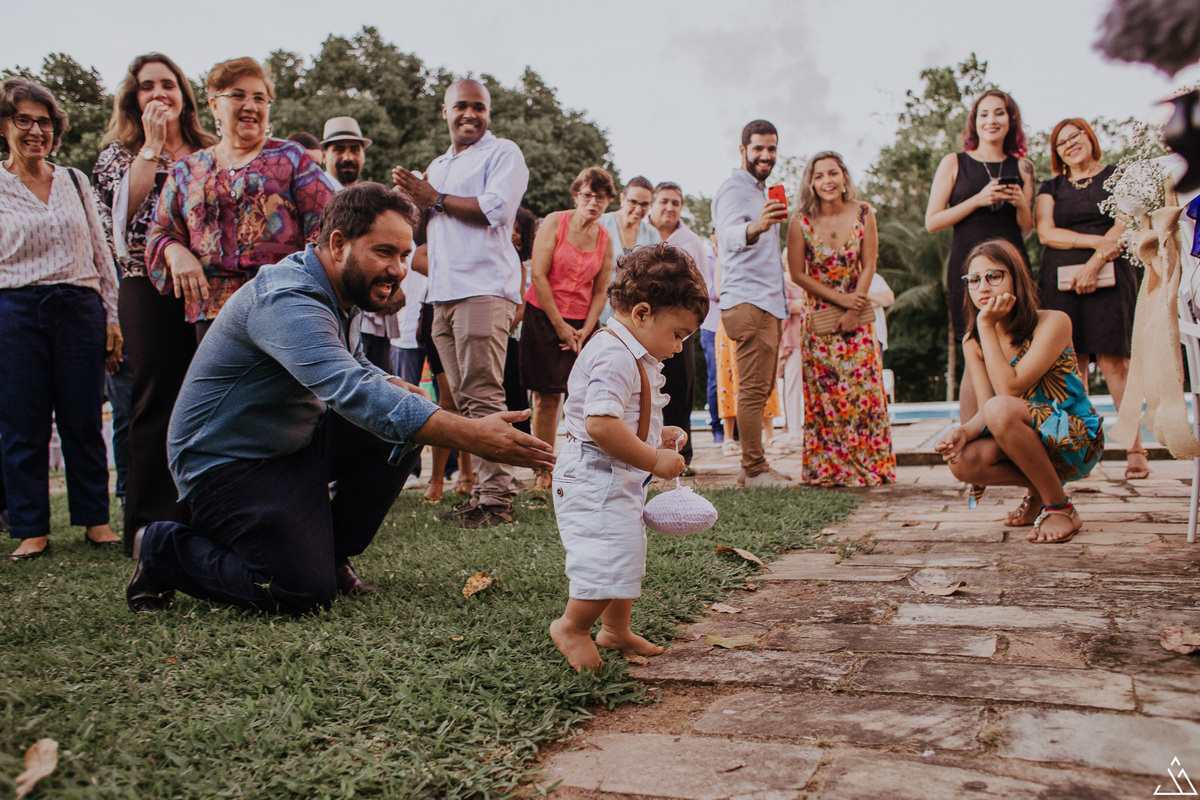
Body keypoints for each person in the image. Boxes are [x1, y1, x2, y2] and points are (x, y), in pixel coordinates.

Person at [126, 183, 555, 614]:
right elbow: (349, 388)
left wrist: (393, 382)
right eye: (384, 252)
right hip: (225, 463)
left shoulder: (340, 292)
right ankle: (162, 547)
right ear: (337, 244)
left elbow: (357, 366)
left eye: (404, 255)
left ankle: (331, 554)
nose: (398, 269)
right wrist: (471, 435)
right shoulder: (288, 297)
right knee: (299, 591)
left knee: (403, 425)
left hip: (288, 443)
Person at [549, 243, 708, 672]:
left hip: (613, 476)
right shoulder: (615, 355)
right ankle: (572, 627)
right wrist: (653, 459)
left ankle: (615, 630)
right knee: (605, 558)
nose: (679, 348)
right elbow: (601, 425)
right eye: (677, 335)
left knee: (625, 555)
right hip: (592, 477)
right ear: (641, 313)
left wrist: (658, 434)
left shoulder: (631, 350)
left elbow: (623, 416)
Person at [93, 53, 217, 550]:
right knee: (155, 398)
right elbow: (122, 222)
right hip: (146, 282)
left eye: (169, 84)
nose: (159, 93)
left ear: (185, 94)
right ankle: (149, 529)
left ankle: (208, 520)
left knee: (211, 399)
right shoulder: (118, 156)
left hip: (209, 285)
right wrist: (151, 145)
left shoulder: (211, 150)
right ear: (134, 98)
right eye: (148, 86)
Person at [392, 79, 530, 529]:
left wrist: (433, 198)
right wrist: (413, 201)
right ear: (445, 111)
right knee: (460, 401)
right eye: (461, 106)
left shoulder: (503, 153)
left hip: (483, 288)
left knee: (484, 394)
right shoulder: (438, 165)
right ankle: (481, 494)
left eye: (479, 107)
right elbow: (423, 232)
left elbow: (495, 210)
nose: (470, 114)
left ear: (488, 113)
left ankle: (498, 500)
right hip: (442, 293)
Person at [0, 77, 123, 559]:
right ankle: (31, 528)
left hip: (79, 306)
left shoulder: (75, 180)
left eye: (45, 122)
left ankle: (96, 521)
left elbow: (100, 252)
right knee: (22, 421)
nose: (36, 131)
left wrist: (111, 315)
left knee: (83, 417)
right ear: (4, 126)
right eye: (23, 120)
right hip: (15, 310)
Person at [146, 56, 336, 339]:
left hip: (283, 310)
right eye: (237, 95)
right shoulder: (187, 170)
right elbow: (160, 230)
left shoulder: (292, 158)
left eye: (260, 98)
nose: (251, 106)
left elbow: (329, 227)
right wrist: (174, 251)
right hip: (212, 314)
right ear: (214, 105)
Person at [935, 238, 1103, 543]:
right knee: (963, 461)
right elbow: (986, 410)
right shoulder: (973, 340)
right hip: (1021, 436)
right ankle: (1041, 490)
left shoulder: (1053, 322)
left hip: (1074, 438)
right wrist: (964, 432)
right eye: (974, 279)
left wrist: (987, 326)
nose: (983, 287)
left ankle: (1060, 508)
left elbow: (1009, 389)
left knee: (1000, 408)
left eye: (994, 276)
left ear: (1016, 278)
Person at [1035, 117, 1148, 480]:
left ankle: (1135, 449)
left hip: (1111, 276)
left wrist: (1094, 263)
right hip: (1059, 280)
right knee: (1071, 365)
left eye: (1076, 136)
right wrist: (1094, 243)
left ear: (1090, 137)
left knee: (1115, 363)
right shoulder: (1050, 187)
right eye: (1062, 142)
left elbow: (1123, 225)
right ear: (1057, 152)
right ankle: (1080, 454)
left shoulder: (1117, 176)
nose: (1070, 144)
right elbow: (1046, 232)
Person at [926, 89, 1035, 421]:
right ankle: (971, 437)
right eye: (984, 114)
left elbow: (1027, 230)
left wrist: (1021, 204)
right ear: (975, 122)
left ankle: (1013, 428)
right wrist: (978, 199)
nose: (992, 120)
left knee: (1017, 342)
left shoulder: (1023, 166)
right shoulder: (954, 162)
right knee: (973, 344)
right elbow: (932, 221)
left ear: (1010, 120)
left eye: (999, 113)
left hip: (1012, 266)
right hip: (969, 268)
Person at [787, 151, 895, 486]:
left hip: (857, 317)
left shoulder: (864, 212)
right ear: (811, 182)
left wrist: (853, 308)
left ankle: (869, 465)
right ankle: (829, 468)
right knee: (826, 396)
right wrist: (839, 300)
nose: (827, 181)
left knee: (863, 394)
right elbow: (797, 273)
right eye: (819, 176)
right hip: (819, 322)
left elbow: (870, 264)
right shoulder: (799, 221)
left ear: (844, 176)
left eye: (832, 173)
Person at [520, 167, 615, 491]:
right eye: (588, 195)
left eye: (601, 198)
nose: (593, 202)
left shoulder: (605, 238)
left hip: (583, 323)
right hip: (544, 316)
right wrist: (560, 326)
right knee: (547, 398)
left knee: (586, 396)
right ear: (576, 195)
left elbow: (601, 290)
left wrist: (586, 330)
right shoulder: (554, 222)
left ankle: (582, 468)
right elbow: (539, 274)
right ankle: (543, 470)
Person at [711, 119, 792, 487]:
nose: (766, 155)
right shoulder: (734, 191)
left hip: (766, 302)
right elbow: (726, 236)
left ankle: (752, 468)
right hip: (749, 301)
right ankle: (755, 468)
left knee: (760, 389)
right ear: (743, 150)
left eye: (771, 148)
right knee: (753, 390)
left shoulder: (762, 192)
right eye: (758, 148)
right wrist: (756, 227)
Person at [649, 181, 707, 469]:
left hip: (680, 330)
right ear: (653, 203)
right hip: (644, 326)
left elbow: (701, 286)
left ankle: (682, 456)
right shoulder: (641, 233)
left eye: (676, 203)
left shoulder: (691, 241)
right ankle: (643, 451)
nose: (670, 207)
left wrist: (689, 330)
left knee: (680, 389)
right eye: (664, 201)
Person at [699, 232, 723, 442]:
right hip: (711, 326)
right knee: (715, 377)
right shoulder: (705, 258)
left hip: (733, 325)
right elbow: (711, 292)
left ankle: (735, 430)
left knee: (735, 378)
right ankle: (717, 428)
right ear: (713, 235)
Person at [321, 116, 370, 189]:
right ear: (324, 156)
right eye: (339, 150)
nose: (348, 158)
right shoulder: (314, 192)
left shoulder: (366, 194)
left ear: (363, 155)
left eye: (354, 150)